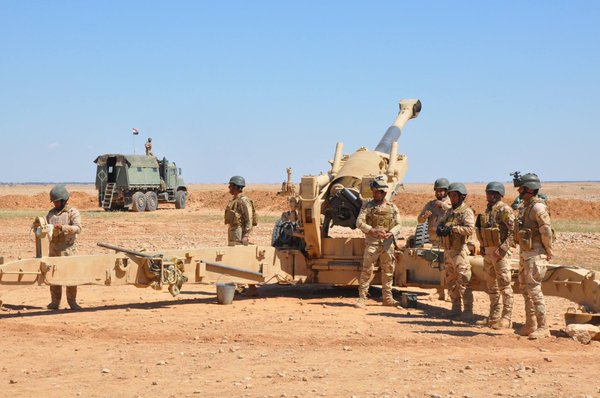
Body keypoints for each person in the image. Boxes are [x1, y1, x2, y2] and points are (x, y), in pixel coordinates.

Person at [514, 173, 553, 339]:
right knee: (524, 289)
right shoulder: (525, 207)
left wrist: (548, 250)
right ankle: (530, 324)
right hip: (525, 253)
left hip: (536, 253)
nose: (518, 190)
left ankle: (543, 327)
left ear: (529, 189)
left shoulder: (538, 208)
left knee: (534, 289)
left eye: (521, 188)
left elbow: (546, 231)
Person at [354, 176, 402, 308]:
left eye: (379, 192)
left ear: (384, 193)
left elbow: (399, 224)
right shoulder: (367, 206)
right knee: (366, 270)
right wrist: (372, 230)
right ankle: (362, 298)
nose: (376, 194)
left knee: (388, 271)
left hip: (387, 244)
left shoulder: (392, 207)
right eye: (375, 191)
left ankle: (387, 298)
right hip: (372, 243)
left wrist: (391, 232)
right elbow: (359, 222)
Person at [475, 181, 515, 329]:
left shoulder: (505, 210)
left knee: (505, 286)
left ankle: (506, 318)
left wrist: (503, 249)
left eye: (491, 193)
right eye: (488, 193)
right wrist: (483, 246)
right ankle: (494, 316)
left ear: (499, 195)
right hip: (488, 252)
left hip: (500, 253)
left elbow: (513, 232)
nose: (488, 196)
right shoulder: (487, 210)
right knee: (491, 286)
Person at [436, 182, 475, 320]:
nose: (452, 198)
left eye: (454, 195)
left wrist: (453, 229)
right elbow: (441, 224)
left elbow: (470, 229)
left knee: (464, 281)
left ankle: (468, 311)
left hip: (460, 251)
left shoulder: (466, 211)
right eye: (450, 195)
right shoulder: (449, 211)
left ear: (462, 196)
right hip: (448, 251)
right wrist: (440, 228)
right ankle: (455, 308)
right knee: (451, 281)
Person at [46, 184, 83, 310]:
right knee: (53, 276)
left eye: (57, 202)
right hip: (54, 250)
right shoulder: (50, 214)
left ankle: (72, 302)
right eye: (54, 202)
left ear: (64, 200)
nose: (55, 204)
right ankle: (55, 302)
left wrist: (63, 228)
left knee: (71, 277)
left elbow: (78, 228)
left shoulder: (73, 212)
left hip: (68, 250)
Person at [417, 178, 451, 245]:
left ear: (446, 191)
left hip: (446, 241)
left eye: (441, 191)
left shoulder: (452, 203)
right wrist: (424, 217)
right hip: (432, 240)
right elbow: (419, 220)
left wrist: (442, 205)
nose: (438, 193)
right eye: (436, 191)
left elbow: (456, 212)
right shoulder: (431, 204)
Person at [224, 176, 255, 246]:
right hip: (233, 231)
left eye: (230, 185)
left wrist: (246, 235)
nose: (229, 187)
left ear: (235, 187)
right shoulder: (234, 200)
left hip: (239, 232)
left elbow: (249, 219)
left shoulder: (243, 200)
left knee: (238, 253)